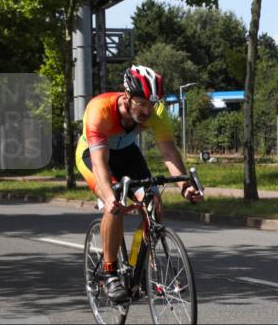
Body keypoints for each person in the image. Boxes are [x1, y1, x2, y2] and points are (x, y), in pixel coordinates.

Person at [76, 65, 202, 302]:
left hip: (127, 154)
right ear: (126, 97)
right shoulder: (99, 110)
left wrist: (185, 187)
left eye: (151, 104)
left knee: (154, 202)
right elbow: (100, 163)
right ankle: (110, 272)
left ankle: (136, 269)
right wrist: (109, 196)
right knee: (116, 204)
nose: (147, 110)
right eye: (141, 103)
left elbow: (168, 152)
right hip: (94, 156)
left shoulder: (157, 111)